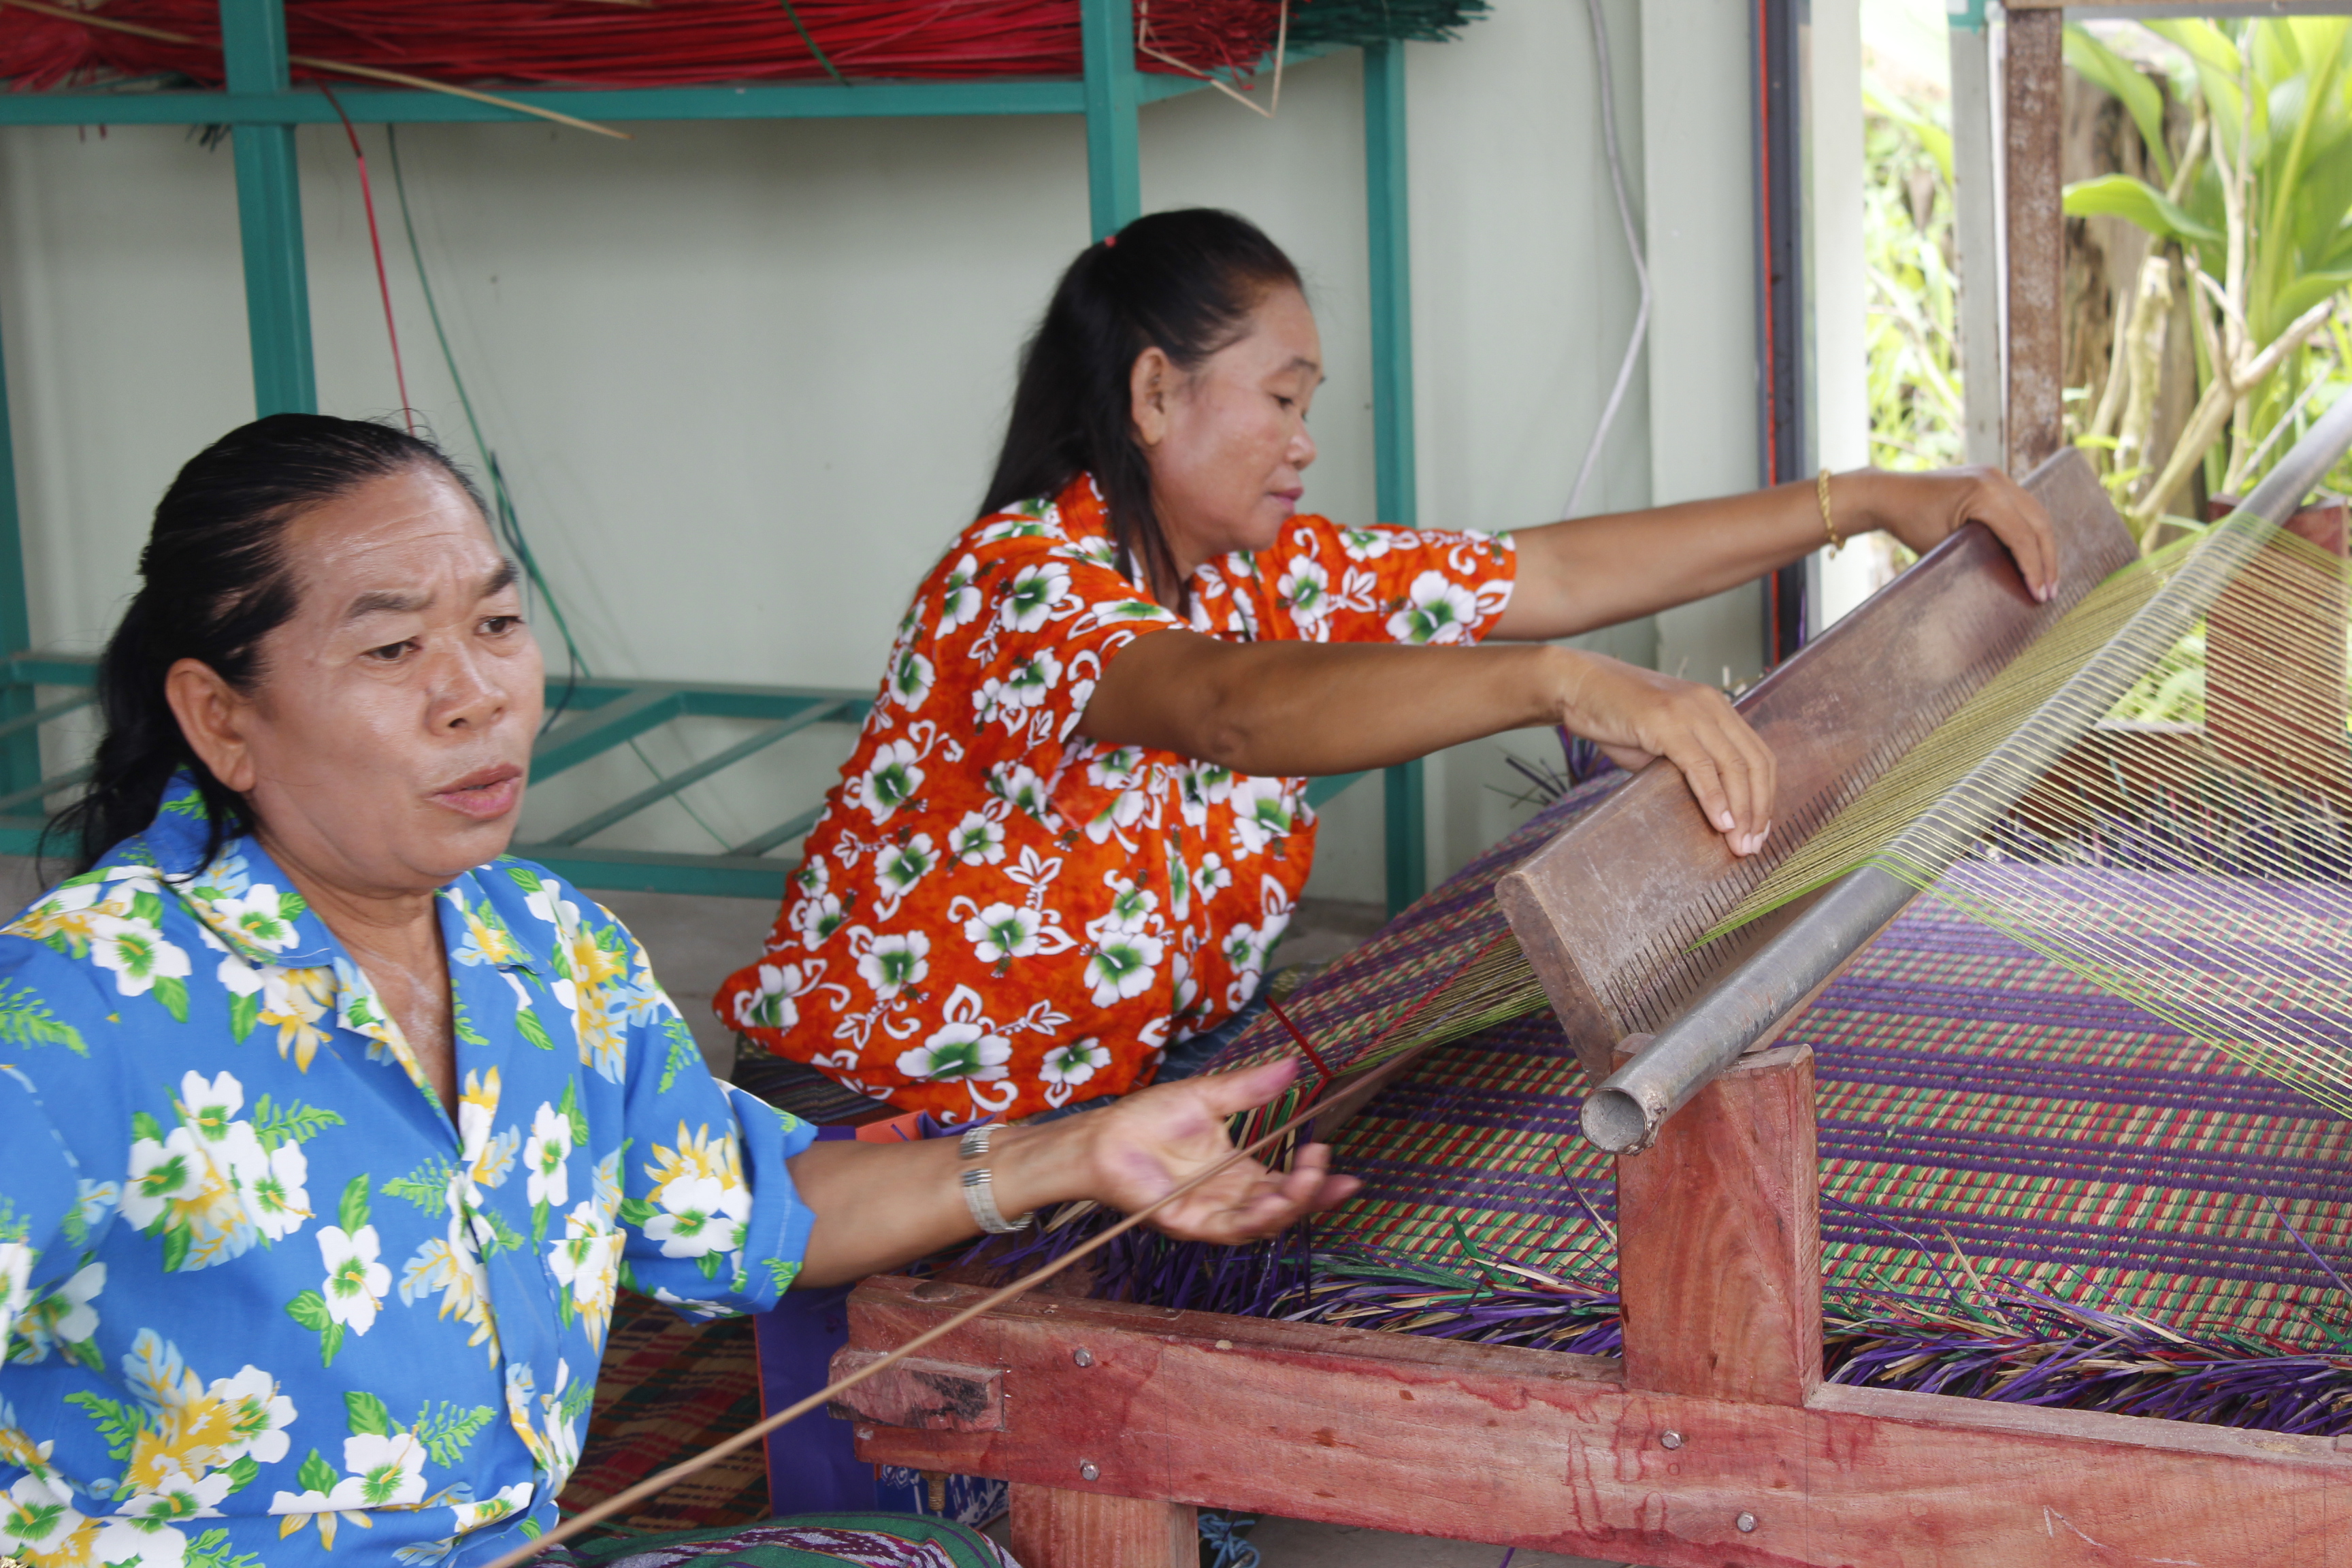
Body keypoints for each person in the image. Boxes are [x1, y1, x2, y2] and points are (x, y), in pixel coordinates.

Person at [0, 415, 1354, 1568]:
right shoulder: (89, 1005)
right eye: (393, 651)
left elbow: (746, 1210)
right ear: (220, 715)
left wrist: (1077, 1151)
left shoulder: (543, 954)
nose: (478, 695)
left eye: (496, 624)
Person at [715, 208, 2057, 1125]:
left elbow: (1559, 574)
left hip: (1097, 1093)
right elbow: (1229, 710)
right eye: (1283, 397)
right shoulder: (1021, 584)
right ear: (1153, 396)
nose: (1306, 438)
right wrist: (1561, 684)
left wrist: (1873, 499)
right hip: (893, 1109)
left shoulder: (1264, 572)